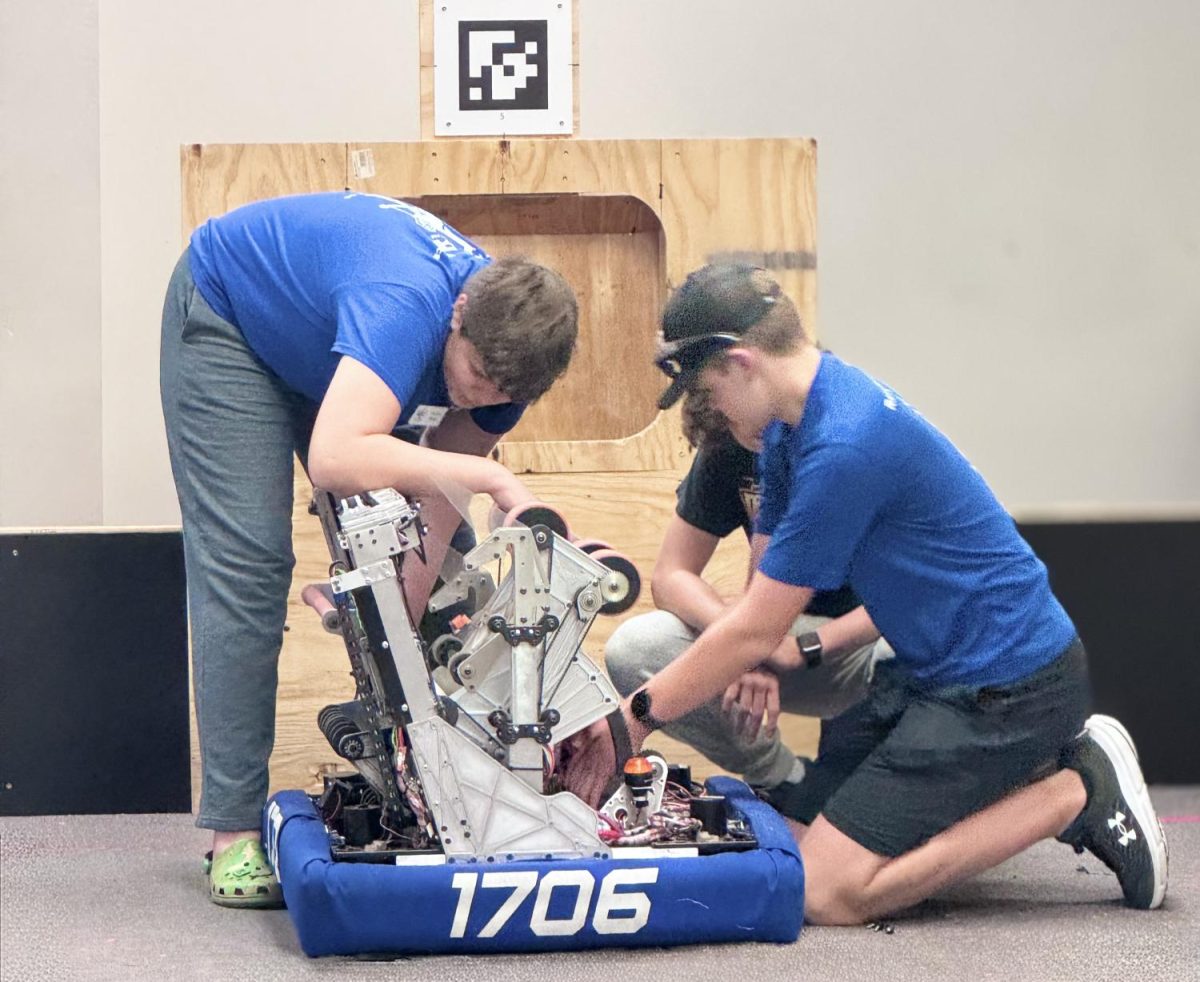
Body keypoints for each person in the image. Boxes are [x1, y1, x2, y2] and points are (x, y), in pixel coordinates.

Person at [562, 263, 1168, 922]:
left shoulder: (845, 446)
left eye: (708, 387)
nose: (711, 409)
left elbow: (760, 630)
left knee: (828, 893)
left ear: (740, 364)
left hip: (1010, 690)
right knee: (813, 828)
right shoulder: (791, 430)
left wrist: (633, 718)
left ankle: (1077, 788)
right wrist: (685, 689)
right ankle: (1023, 779)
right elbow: (761, 603)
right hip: (936, 676)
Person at [160, 191, 578, 907]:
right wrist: (493, 474)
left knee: (448, 577)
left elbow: (438, 507)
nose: (478, 398)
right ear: (458, 317)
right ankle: (231, 832)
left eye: (498, 394)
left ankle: (449, 793)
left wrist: (392, 620)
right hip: (232, 317)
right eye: (474, 375)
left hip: (336, 352)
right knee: (251, 567)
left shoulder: (506, 370)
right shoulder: (408, 302)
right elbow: (334, 457)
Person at [604, 389, 893, 822]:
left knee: (914, 650)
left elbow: (908, 597)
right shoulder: (733, 433)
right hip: (779, 635)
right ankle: (785, 782)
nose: (755, 446)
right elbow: (671, 576)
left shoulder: (854, 438)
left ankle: (884, 792)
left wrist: (798, 646)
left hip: (868, 641)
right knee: (635, 647)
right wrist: (744, 643)